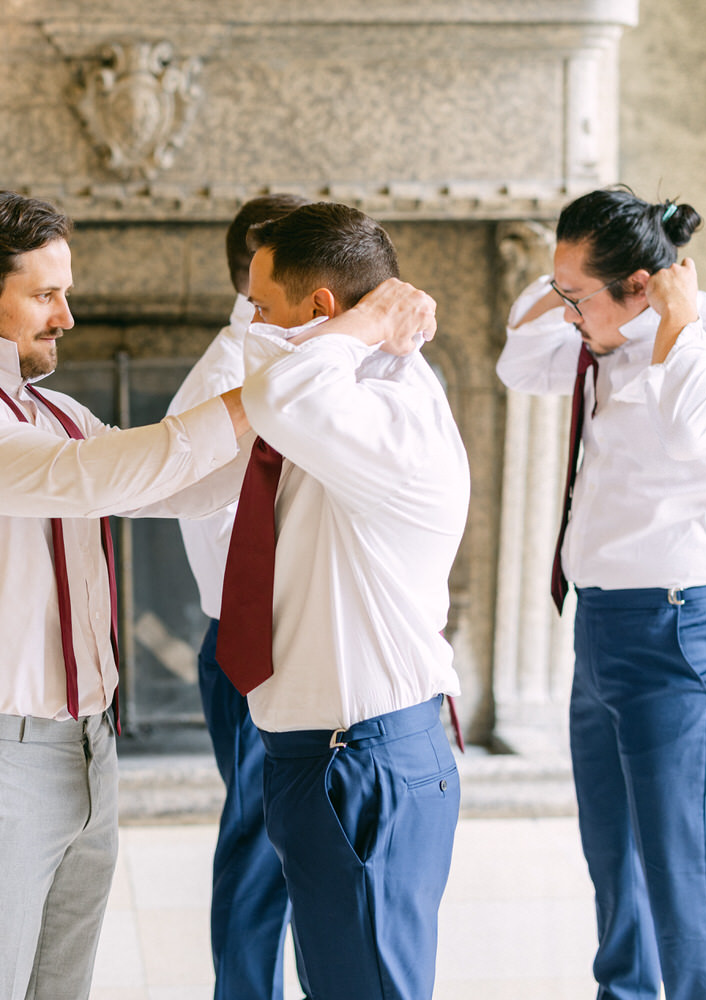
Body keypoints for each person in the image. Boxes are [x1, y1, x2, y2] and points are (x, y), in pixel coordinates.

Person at [0, 191, 255, 1000]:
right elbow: (86, 480)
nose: (67, 316)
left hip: (88, 746)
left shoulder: (51, 409)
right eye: (45, 294)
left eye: (66, 292)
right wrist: (259, 397)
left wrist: (299, 419)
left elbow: (175, 487)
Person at [496, 186, 706, 1000]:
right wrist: (569, 286)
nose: (566, 314)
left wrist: (680, 319)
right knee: (614, 860)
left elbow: (695, 426)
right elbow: (516, 360)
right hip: (604, 629)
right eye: (562, 292)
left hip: (683, 634)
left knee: (678, 869)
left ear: (643, 286)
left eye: (575, 296)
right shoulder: (602, 338)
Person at [222, 201, 471, 1000]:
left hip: (359, 759)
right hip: (320, 751)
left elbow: (280, 393)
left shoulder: (388, 410)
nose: (251, 323)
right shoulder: (343, 390)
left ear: (324, 307)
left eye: (262, 306)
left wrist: (361, 328)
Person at [164, 192, 310, 1000]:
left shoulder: (289, 361)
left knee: (283, 843)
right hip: (256, 649)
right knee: (260, 846)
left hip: (287, 646)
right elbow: (226, 536)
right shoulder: (227, 378)